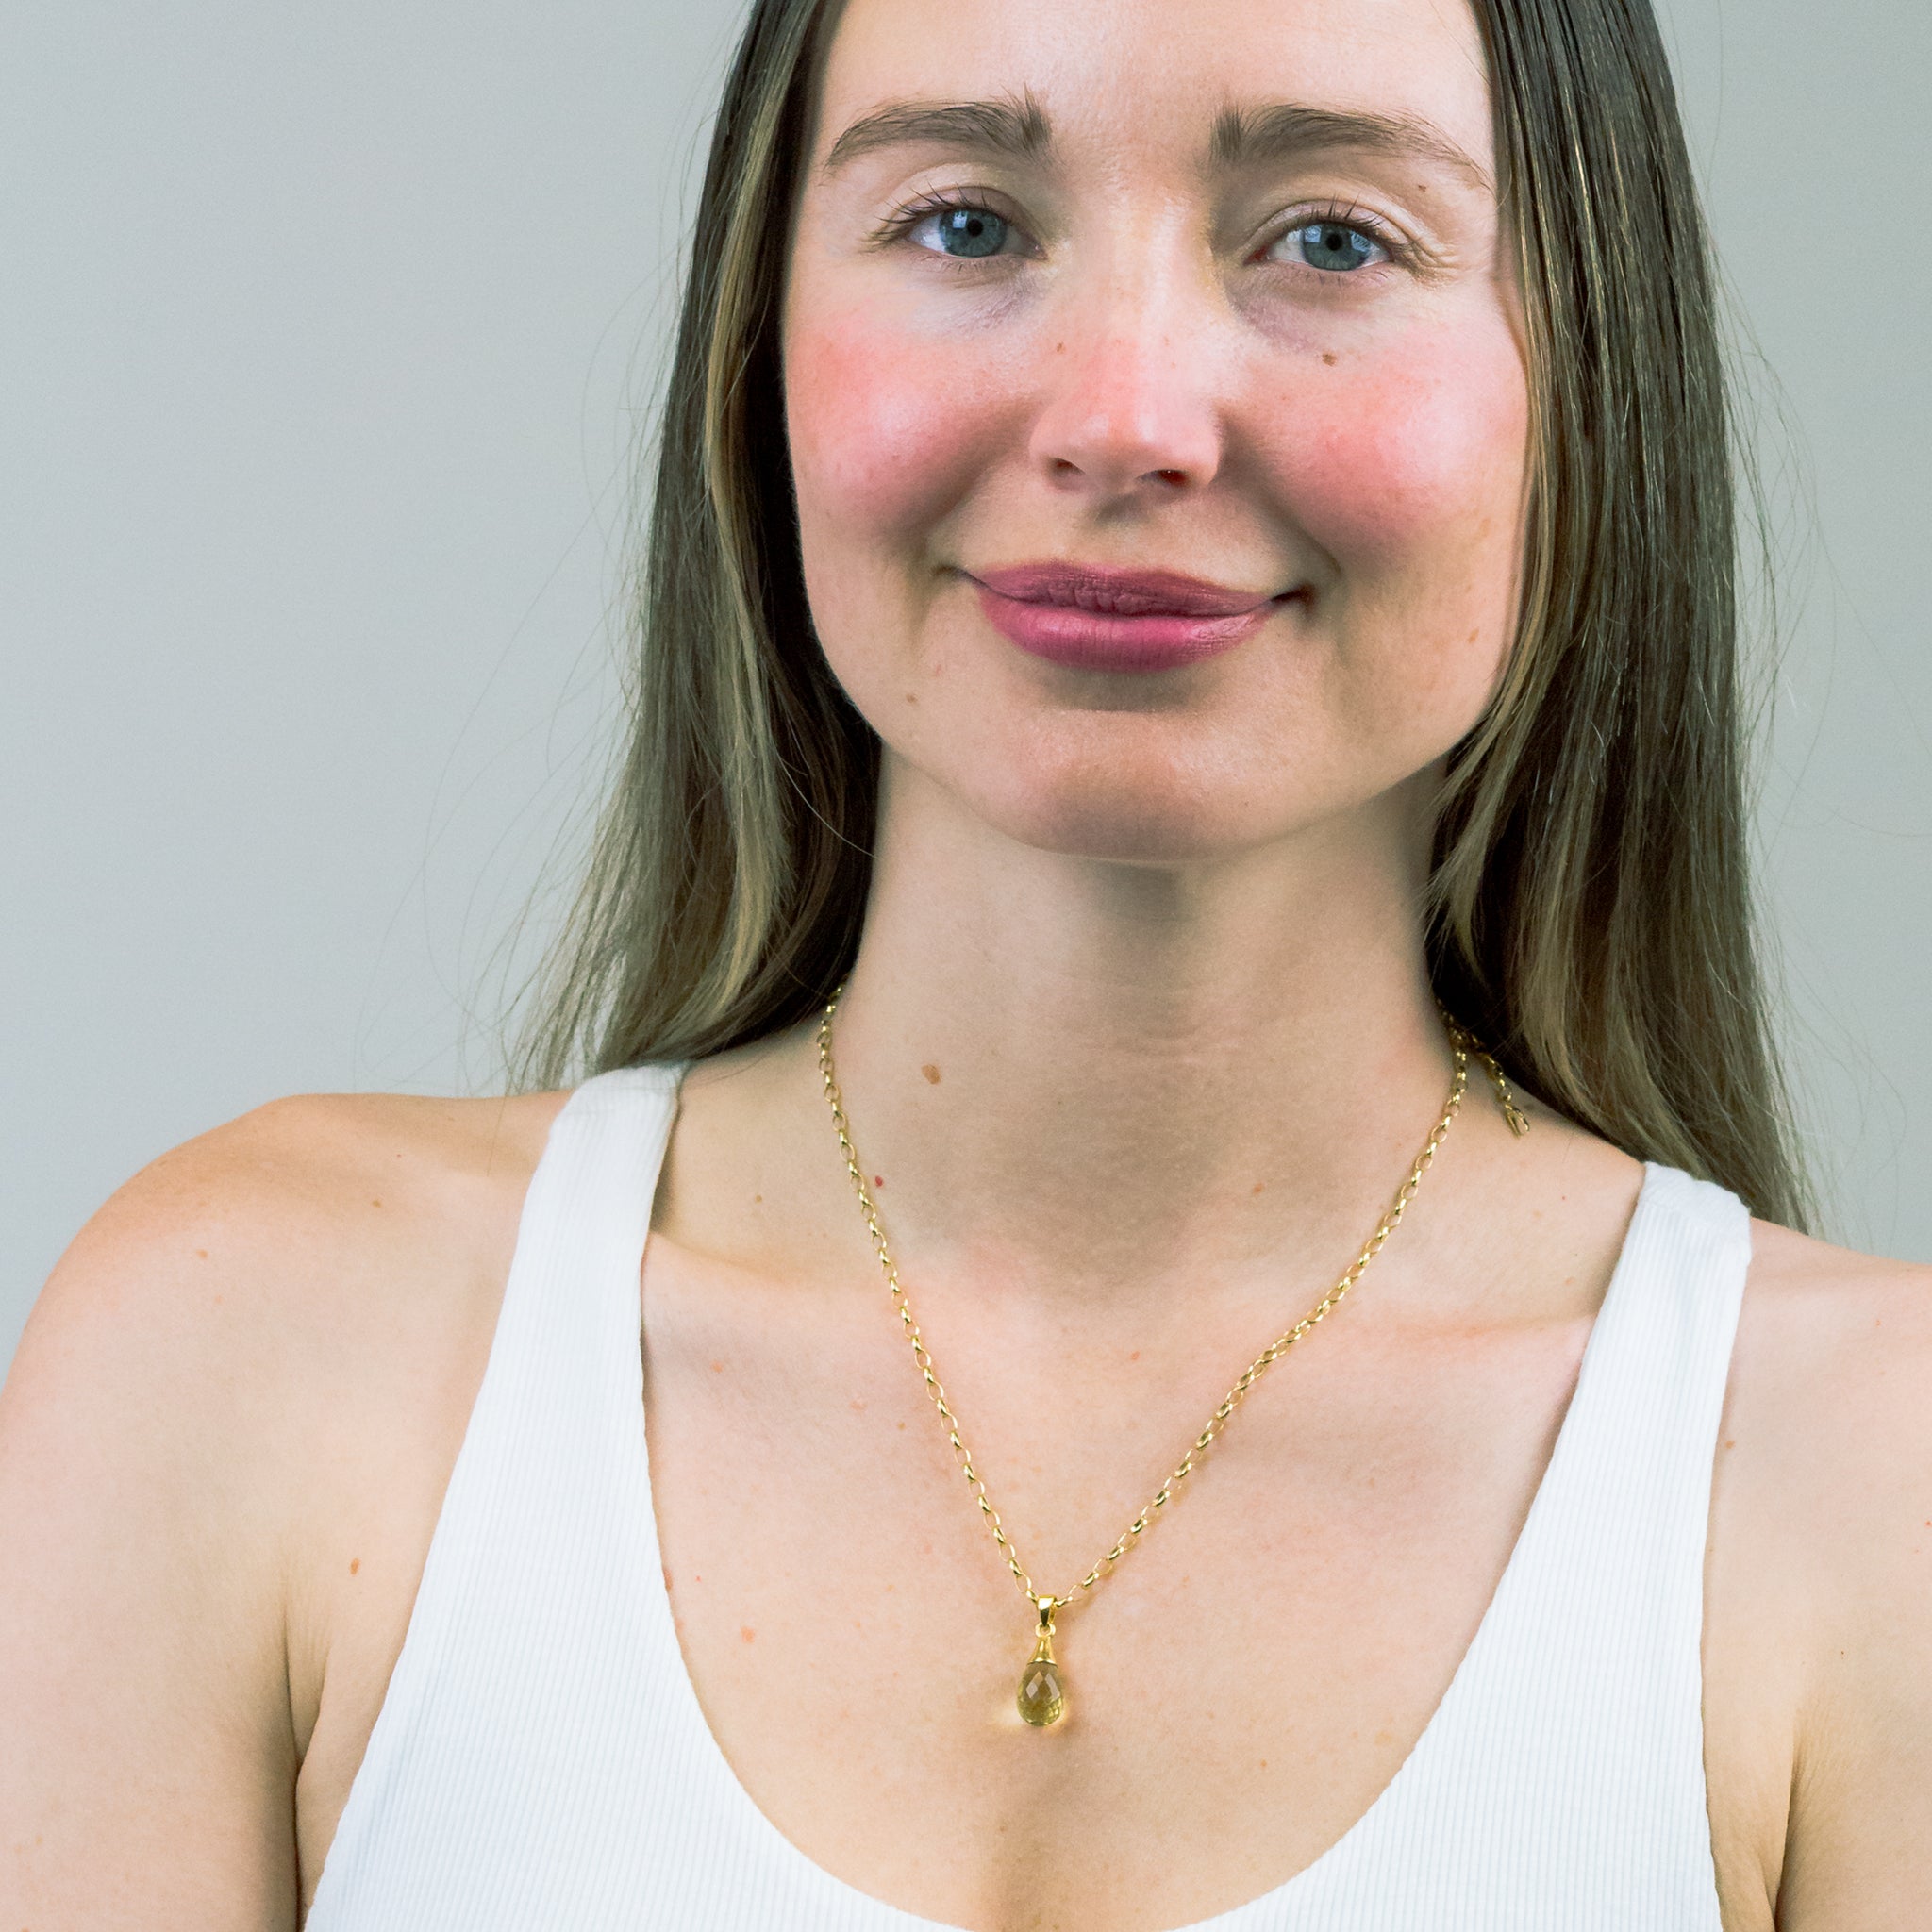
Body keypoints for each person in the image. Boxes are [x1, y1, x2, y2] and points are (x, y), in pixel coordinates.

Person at [4, 0, 1929, 1923]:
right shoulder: (242, 1359)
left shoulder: (1876, 1493)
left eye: (1333, 239)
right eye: (966, 223)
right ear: (762, 339)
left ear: (1586, 368)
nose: (1123, 418)